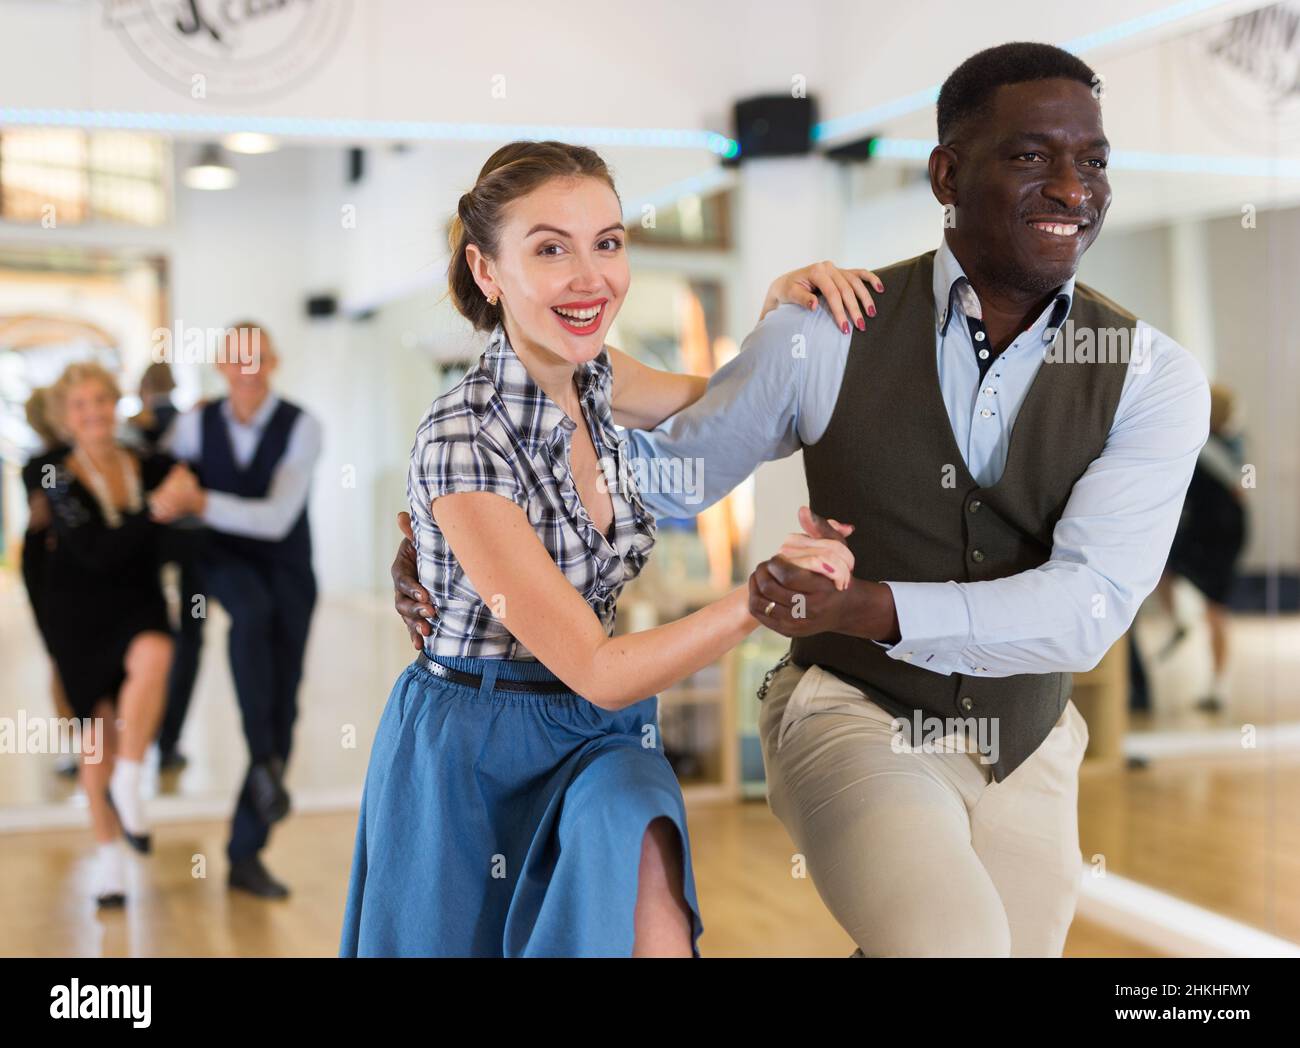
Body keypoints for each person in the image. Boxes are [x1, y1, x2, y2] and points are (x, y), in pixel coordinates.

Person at [389, 43, 1214, 958]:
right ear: (946, 172)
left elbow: (1087, 607)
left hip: (1017, 737)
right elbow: (660, 492)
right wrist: (454, 540)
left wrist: (778, 338)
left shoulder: (1150, 375)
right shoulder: (824, 333)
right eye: (1030, 156)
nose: (1071, 187)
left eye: (1093, 161)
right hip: (812, 708)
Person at [344, 140, 869, 957]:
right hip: (478, 747)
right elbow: (592, 664)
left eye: (609, 243)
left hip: (601, 733)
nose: (591, 277)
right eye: (551, 248)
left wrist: (780, 322)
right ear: (488, 273)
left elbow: (733, 409)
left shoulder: (598, 380)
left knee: (652, 892)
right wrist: (763, 597)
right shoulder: (463, 437)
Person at [151, 323, 322, 899]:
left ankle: (247, 847)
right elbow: (161, 477)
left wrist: (200, 500)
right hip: (223, 564)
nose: (247, 366)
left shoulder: (303, 426)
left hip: (289, 570)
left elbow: (276, 519)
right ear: (222, 364)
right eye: (235, 357)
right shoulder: (195, 425)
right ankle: (266, 764)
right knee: (249, 612)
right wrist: (176, 487)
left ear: (273, 360)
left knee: (286, 705)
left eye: (257, 355)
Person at [41, 362, 178, 906]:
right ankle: (110, 863)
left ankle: (132, 779)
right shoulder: (50, 473)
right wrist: (157, 511)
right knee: (96, 742)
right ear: (64, 417)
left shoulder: (146, 461)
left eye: (100, 399)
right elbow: (93, 552)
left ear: (115, 402)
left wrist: (172, 503)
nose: (93, 411)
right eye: (80, 405)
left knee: (157, 652)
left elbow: (172, 530)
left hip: (137, 605)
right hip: (77, 619)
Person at [1154, 382, 1249, 713]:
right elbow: (1243, 488)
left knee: (1210, 606)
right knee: (1212, 606)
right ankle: (1216, 683)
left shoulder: (1205, 444)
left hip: (1213, 531)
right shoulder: (1235, 444)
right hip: (1224, 529)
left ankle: (1215, 683)